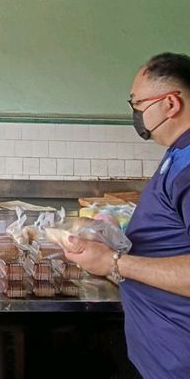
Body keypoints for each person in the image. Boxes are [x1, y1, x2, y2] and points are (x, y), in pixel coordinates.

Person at [65, 53, 190, 378]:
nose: (135, 113)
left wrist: (113, 263)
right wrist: (113, 232)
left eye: (138, 104)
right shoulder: (178, 153)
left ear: (171, 104)